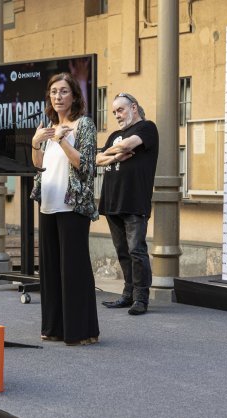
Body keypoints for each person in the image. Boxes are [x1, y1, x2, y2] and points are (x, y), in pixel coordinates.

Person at [29, 73, 100, 346]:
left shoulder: (83, 125)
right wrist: (36, 142)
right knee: (50, 271)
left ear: (74, 96)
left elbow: (86, 165)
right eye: (54, 92)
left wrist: (61, 140)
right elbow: (39, 165)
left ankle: (81, 330)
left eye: (63, 92)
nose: (58, 97)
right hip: (48, 204)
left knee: (74, 269)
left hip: (72, 206)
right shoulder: (47, 127)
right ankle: (54, 327)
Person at [96, 93, 159, 315]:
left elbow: (128, 145)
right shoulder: (114, 134)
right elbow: (98, 159)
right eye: (114, 112)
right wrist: (114, 157)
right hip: (112, 200)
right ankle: (128, 294)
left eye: (120, 110)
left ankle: (141, 298)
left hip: (134, 199)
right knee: (122, 251)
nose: (116, 115)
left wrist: (114, 151)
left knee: (136, 250)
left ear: (134, 107)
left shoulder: (147, 128)